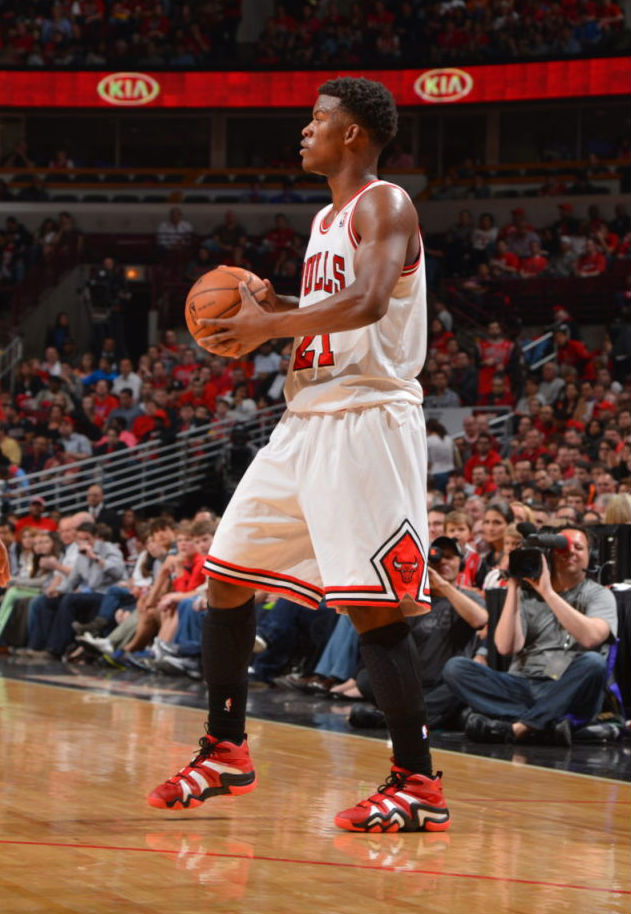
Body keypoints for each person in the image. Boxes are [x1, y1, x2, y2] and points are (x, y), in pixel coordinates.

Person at [148, 77, 450, 833]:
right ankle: (225, 747)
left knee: (371, 605)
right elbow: (331, 311)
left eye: (317, 121)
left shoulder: (384, 202)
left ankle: (417, 783)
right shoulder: (324, 219)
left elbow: (372, 303)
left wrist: (261, 331)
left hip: (365, 417)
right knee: (223, 576)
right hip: (306, 420)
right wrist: (276, 307)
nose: (304, 131)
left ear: (352, 134)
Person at [443, 525, 618, 745]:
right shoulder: (526, 595)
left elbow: (591, 638)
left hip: (566, 687)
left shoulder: (599, 595)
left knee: (593, 663)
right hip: (522, 685)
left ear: (590, 557)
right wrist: (514, 585)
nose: (571, 551)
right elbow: (506, 647)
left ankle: (519, 728)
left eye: (579, 547)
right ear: (550, 555)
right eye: (563, 547)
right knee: (456, 669)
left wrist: (548, 593)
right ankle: (548, 724)